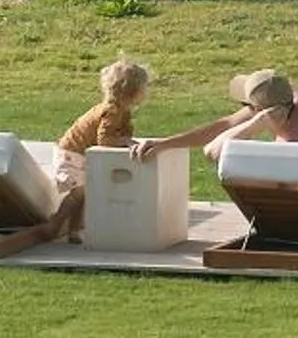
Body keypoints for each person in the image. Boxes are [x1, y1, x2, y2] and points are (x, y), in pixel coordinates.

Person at [51, 58, 242, 242]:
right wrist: (126, 141)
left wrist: (128, 139)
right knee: (78, 193)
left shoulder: (121, 110)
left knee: (84, 193)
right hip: (72, 154)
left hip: (78, 154)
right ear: (133, 91)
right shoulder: (112, 111)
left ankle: (73, 230)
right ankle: (57, 223)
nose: (146, 91)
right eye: (144, 87)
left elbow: (118, 133)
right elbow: (105, 140)